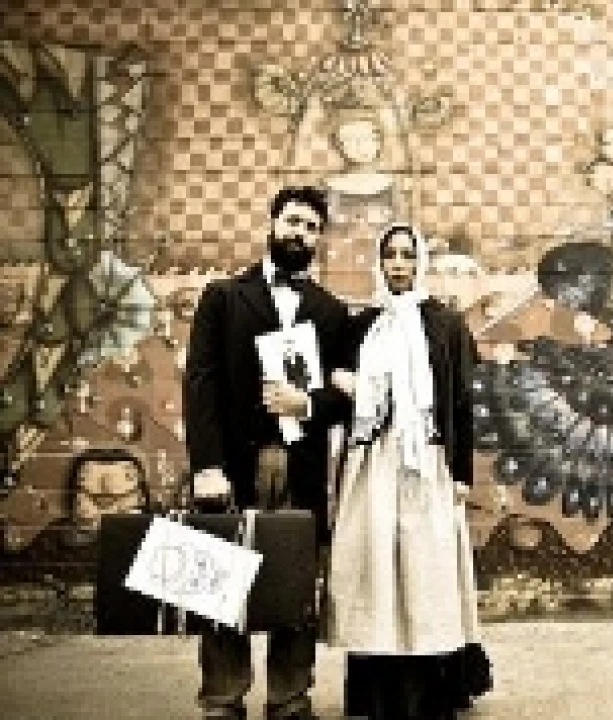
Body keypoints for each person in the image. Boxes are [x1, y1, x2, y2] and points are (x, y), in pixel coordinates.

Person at [183, 185, 356, 719]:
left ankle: (290, 697)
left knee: (294, 580)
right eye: (293, 221)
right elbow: (200, 384)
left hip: (300, 464)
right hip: (233, 463)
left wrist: (308, 403)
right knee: (222, 577)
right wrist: (207, 465)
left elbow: (349, 397)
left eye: (311, 227)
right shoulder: (223, 297)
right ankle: (222, 696)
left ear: (320, 239)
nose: (300, 233)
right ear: (273, 224)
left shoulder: (331, 312)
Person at [328, 223, 492, 719]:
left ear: (420, 262)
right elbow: (339, 393)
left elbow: (463, 401)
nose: (398, 264)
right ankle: (378, 693)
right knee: (378, 569)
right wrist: (344, 385)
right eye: (390, 255)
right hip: (374, 464)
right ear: (379, 263)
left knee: (427, 571)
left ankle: (435, 691)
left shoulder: (445, 325)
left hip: (427, 462)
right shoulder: (362, 326)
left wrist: (461, 472)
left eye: (407, 255)